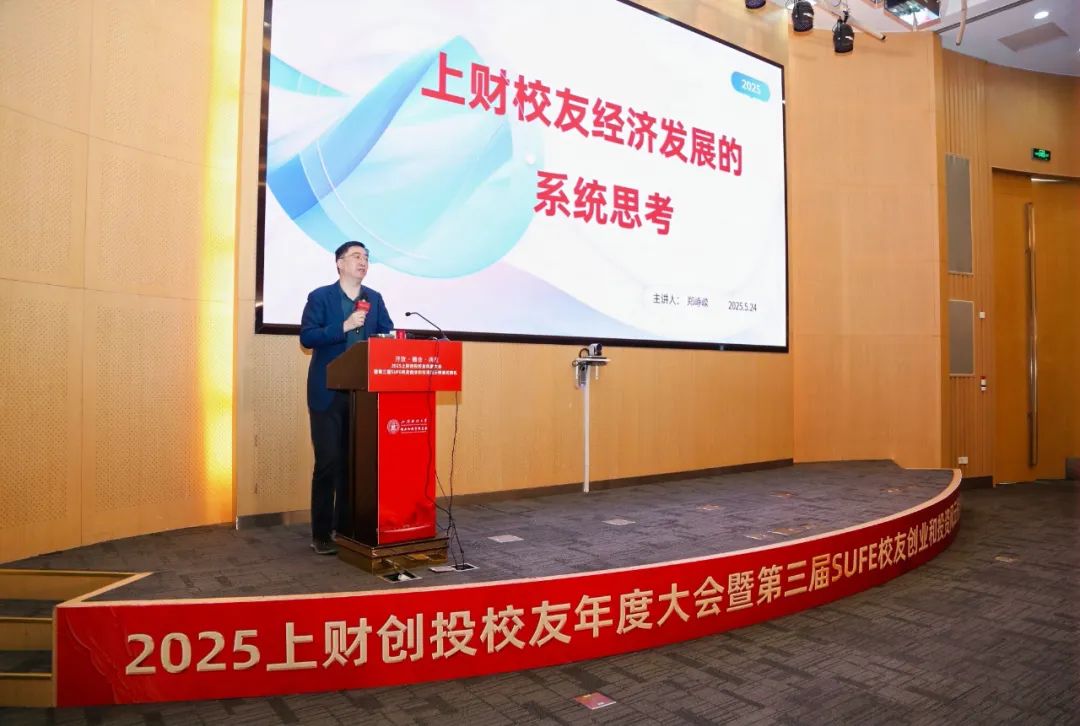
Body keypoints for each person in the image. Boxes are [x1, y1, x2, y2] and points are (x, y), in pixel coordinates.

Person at [300, 241, 394, 554]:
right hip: (327, 392)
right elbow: (308, 337)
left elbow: (387, 333)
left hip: (362, 395)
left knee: (354, 465)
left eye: (366, 257)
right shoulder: (320, 297)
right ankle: (321, 534)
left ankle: (346, 528)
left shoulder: (374, 298)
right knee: (328, 462)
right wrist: (343, 326)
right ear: (339, 263)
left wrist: (388, 342)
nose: (362, 261)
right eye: (356, 256)